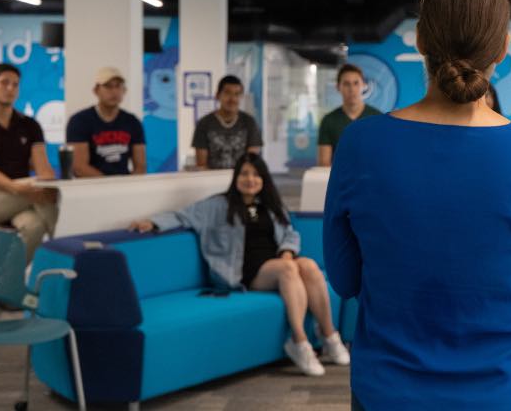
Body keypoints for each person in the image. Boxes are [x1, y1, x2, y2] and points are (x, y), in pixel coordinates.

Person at [324, 0, 511, 411]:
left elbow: (346, 280)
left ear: (421, 40)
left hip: (388, 392)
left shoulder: (360, 144)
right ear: (504, 46)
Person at [129, 152, 349, 376]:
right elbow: (181, 216)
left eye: (256, 174)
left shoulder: (271, 206)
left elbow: (290, 235)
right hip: (242, 273)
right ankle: (299, 341)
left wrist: (286, 251)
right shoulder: (216, 205)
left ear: (263, 179)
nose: (250, 179)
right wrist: (152, 223)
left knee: (309, 266)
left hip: (277, 265)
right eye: (244, 174)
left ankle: (329, 335)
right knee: (289, 268)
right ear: (236, 177)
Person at [0, 64, 58, 261]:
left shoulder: (30, 125)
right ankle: (68, 247)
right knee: (38, 189)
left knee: (35, 227)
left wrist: (50, 186)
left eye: (15, 84)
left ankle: (9, 282)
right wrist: (22, 189)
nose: (10, 88)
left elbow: (43, 169)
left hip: (21, 197)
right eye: (4, 83)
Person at [65, 67, 146, 176]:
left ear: (124, 91)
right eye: (108, 86)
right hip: (90, 187)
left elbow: (141, 166)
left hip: (124, 186)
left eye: (118, 86)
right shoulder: (80, 120)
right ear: (96, 90)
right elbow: (79, 167)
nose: (114, 91)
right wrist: (110, 186)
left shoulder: (132, 121)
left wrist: (128, 186)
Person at [192, 75, 263, 169]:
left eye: (237, 94)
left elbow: (251, 162)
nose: (232, 99)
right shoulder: (204, 123)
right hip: (212, 181)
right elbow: (201, 165)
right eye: (227, 93)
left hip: (240, 181)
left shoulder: (249, 122)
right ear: (217, 95)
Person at [317, 64, 381, 167]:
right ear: (338, 87)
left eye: (356, 83)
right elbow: (324, 164)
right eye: (346, 84)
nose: (352, 89)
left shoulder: (378, 119)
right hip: (340, 181)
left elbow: (383, 158)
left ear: (364, 85)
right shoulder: (328, 121)